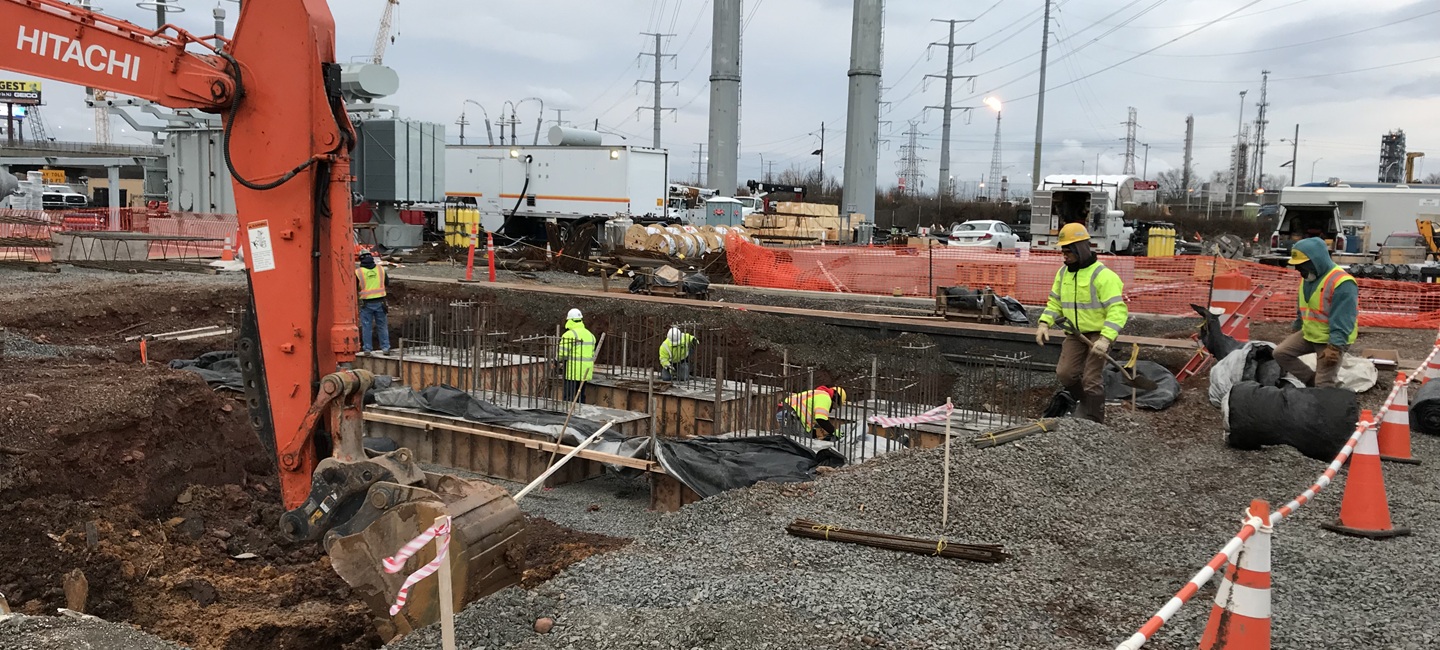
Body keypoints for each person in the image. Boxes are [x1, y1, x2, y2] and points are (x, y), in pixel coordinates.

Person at [1034, 223, 1128, 424]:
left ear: (1081, 249)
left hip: (1100, 334)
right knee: (1065, 374)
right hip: (1075, 333)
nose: (1064, 256)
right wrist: (1044, 323)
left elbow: (1117, 310)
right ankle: (1085, 402)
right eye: (1063, 251)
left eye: (1068, 251)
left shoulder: (1103, 276)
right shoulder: (1063, 273)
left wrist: (1105, 339)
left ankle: (1094, 422)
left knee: (1091, 379)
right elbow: (1055, 302)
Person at [1274, 237, 1357, 388]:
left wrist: (1335, 347)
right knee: (1281, 353)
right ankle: (1312, 382)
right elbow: (1303, 306)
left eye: (1302, 266)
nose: (1300, 270)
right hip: (1310, 334)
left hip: (1330, 339)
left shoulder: (1342, 282)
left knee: (1324, 382)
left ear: (1316, 260)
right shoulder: (1308, 278)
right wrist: (1297, 326)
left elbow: (1344, 318)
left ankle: (1329, 405)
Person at [777, 385, 847, 442]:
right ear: (836, 400)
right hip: (792, 415)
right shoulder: (825, 398)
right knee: (800, 445)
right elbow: (821, 419)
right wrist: (834, 431)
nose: (833, 408)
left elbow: (811, 422)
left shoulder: (818, 394)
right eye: (836, 406)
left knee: (788, 442)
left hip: (785, 411)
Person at [355, 249, 390, 353]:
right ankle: (385, 348)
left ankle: (367, 349)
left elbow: (355, 287)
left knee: (366, 327)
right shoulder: (381, 270)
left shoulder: (358, 272)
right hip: (380, 302)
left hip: (366, 304)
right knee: (382, 326)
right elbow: (386, 283)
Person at [558, 308, 597, 404]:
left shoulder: (569, 335)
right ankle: (581, 414)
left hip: (573, 370)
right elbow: (592, 353)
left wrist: (556, 360)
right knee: (581, 396)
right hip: (586, 371)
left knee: (569, 397)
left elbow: (562, 353)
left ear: (570, 320)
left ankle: (569, 414)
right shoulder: (590, 335)